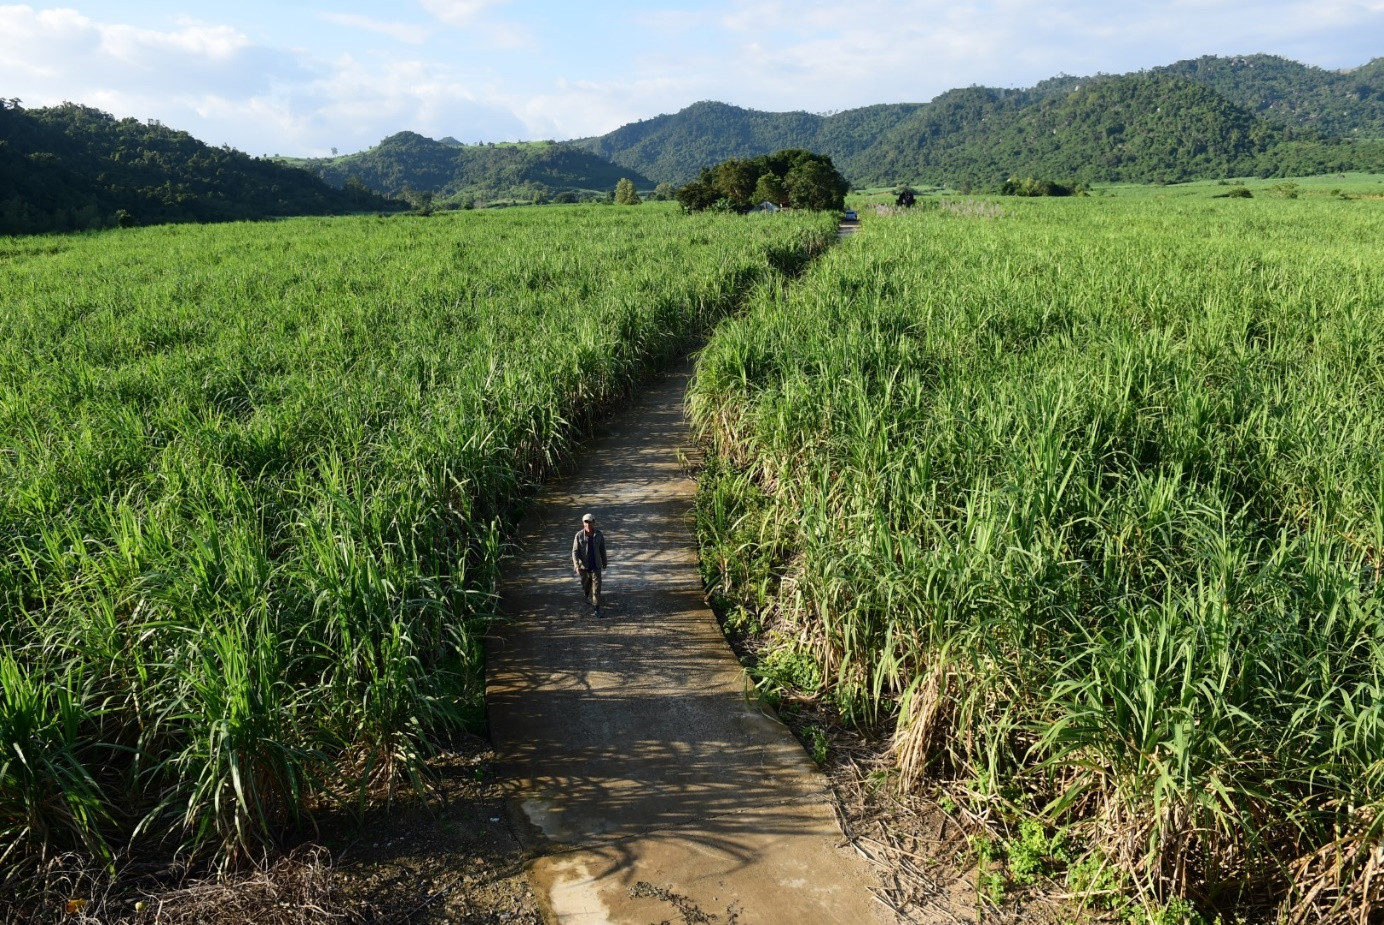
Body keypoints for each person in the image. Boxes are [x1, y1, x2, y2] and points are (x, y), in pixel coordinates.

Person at [572, 512, 608, 616]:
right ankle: (587, 595)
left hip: (596, 566)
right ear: (583, 523)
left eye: (590, 522)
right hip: (584, 567)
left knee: (597, 588)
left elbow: (602, 549)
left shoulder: (599, 535)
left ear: (594, 522)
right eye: (586, 522)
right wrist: (576, 565)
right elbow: (575, 552)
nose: (588, 524)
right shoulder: (578, 536)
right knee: (586, 585)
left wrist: (605, 562)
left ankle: (596, 608)